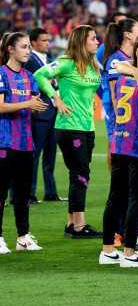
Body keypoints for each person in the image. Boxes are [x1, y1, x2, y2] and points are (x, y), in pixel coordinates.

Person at [34, 25, 103, 239]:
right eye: (93, 38)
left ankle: (71, 224)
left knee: (78, 174)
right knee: (81, 175)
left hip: (87, 127)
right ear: (82, 42)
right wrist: (56, 98)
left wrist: (88, 99)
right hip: (69, 127)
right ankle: (79, 227)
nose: (97, 42)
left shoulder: (91, 65)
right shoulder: (65, 63)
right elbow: (39, 74)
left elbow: (85, 89)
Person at [99, 33, 138, 267]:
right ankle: (129, 253)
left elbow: (118, 65)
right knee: (137, 199)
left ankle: (107, 251)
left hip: (119, 141)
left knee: (115, 197)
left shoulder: (124, 76)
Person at [0, 33, 48, 254]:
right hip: (4, 141)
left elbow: (35, 100)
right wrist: (28, 102)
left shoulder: (29, 76)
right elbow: (0, 106)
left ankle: (22, 237)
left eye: (29, 47)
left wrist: (38, 104)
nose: (28, 51)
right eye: (23, 47)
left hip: (25, 142)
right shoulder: (1, 73)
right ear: (10, 49)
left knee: (23, 194)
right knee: (1, 193)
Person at [25, 28, 64, 203]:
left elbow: (52, 82)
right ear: (33, 42)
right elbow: (34, 81)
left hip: (53, 111)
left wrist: (51, 81)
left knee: (50, 153)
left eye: (48, 40)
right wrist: (49, 81)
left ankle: (50, 192)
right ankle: (29, 193)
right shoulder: (30, 60)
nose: (47, 43)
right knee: (34, 154)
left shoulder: (49, 60)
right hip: (39, 112)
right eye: (43, 40)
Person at [102, 17, 138, 172]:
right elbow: (114, 95)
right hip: (123, 121)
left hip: (134, 119)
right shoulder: (116, 60)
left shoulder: (133, 58)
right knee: (122, 166)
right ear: (128, 35)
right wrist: (121, 122)